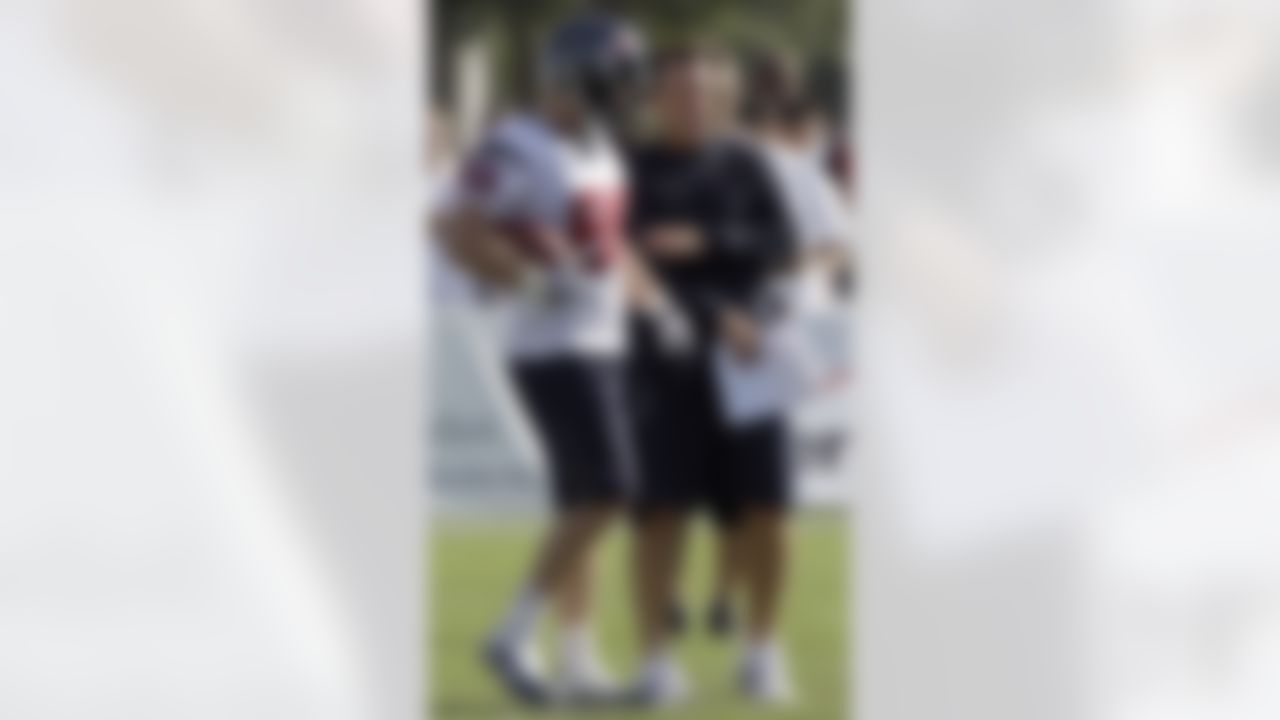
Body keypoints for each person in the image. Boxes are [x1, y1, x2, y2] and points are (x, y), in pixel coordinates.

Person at [432, 12, 675, 707]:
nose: (631, 94)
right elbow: (453, 225)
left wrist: (656, 306)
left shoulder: (599, 148)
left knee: (580, 509)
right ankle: (511, 634)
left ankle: (576, 661)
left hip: (603, 340)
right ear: (583, 80)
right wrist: (530, 280)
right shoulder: (517, 143)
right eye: (620, 80)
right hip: (553, 347)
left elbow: (608, 247)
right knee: (611, 490)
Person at [626, 44, 800, 706]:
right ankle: (655, 664)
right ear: (654, 98)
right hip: (664, 364)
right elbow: (631, 262)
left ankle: (761, 652)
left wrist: (710, 243)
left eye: (703, 90)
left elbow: (780, 244)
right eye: (676, 90)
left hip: (751, 357)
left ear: (724, 97)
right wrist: (713, 312)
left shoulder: (748, 161)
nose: (690, 101)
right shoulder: (630, 166)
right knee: (660, 513)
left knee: (769, 508)